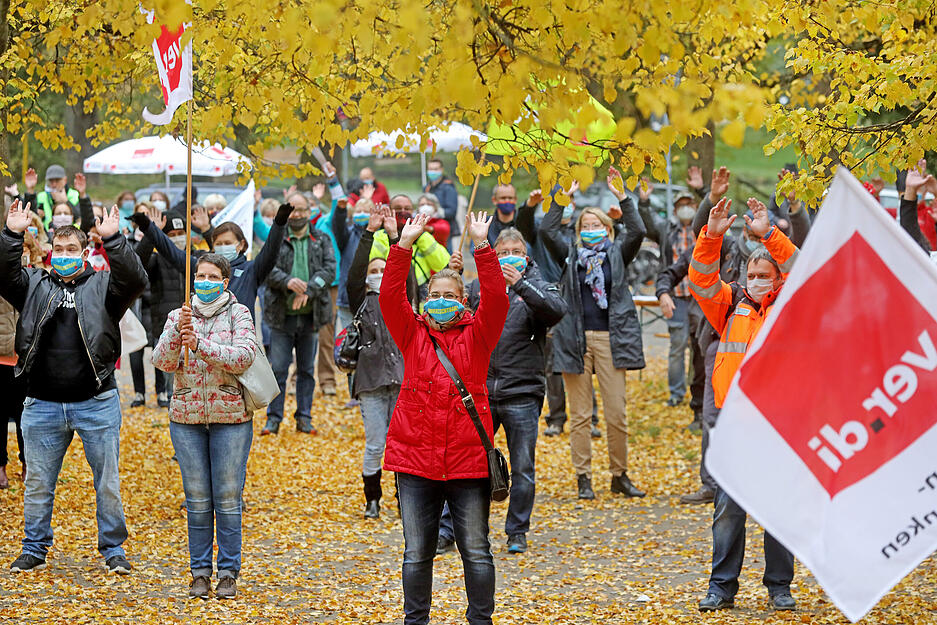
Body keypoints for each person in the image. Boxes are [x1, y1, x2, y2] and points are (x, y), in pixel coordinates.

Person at [0, 199, 147, 574]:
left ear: (84, 253)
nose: (64, 255)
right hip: (42, 403)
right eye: (58, 249)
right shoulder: (33, 284)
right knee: (37, 483)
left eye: (72, 250)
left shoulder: (103, 287)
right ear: (50, 252)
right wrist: (11, 235)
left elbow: (135, 279)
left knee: (107, 483)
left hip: (96, 400)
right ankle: (34, 547)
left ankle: (113, 550)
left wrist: (114, 241)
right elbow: (4, 274)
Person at [380, 211, 509, 625]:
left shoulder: (479, 334)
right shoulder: (412, 333)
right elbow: (388, 298)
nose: (442, 302)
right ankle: (415, 620)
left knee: (476, 549)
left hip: (469, 462)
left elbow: (498, 298)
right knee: (416, 552)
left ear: (463, 301)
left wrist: (482, 247)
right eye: (435, 295)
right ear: (424, 300)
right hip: (416, 462)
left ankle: (480, 620)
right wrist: (403, 245)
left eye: (451, 296)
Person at [690, 196, 798, 612]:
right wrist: (712, 235)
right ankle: (721, 587)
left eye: (763, 274)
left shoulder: (791, 307)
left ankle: (779, 586)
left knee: (778, 511)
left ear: (777, 278)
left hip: (779, 423)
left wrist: (769, 233)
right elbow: (700, 280)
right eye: (750, 274)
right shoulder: (731, 304)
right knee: (728, 510)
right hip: (737, 424)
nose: (755, 280)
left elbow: (801, 268)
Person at [444, 228, 566, 554]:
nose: (509, 254)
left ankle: (517, 531)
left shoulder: (537, 284)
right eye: (503, 250)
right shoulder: (478, 287)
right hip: (480, 392)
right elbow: (452, 322)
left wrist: (520, 285)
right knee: (465, 462)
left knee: (522, 466)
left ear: (525, 256)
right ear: (493, 255)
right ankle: (452, 529)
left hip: (522, 391)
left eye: (516, 249)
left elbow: (556, 310)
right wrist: (452, 280)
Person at [152, 253, 258, 600]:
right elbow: (163, 361)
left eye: (213, 277)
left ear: (225, 283)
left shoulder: (239, 314)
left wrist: (200, 344)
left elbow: (243, 356)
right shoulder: (178, 315)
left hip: (231, 419)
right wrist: (177, 335)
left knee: (227, 499)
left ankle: (228, 571)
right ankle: (199, 572)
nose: (205, 282)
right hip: (186, 418)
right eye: (200, 276)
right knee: (197, 501)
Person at [541, 168, 647, 500]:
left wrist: (622, 197)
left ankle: (619, 474)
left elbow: (639, 229)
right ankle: (583, 477)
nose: (590, 230)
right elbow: (546, 229)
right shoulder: (570, 256)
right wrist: (563, 196)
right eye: (585, 226)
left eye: (596, 225)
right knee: (581, 416)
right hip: (574, 340)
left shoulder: (618, 253)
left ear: (607, 228)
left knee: (616, 413)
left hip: (611, 340)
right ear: (578, 231)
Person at [129, 201, 291, 322]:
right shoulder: (200, 267)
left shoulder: (252, 270)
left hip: (239, 349)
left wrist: (279, 223)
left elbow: (271, 250)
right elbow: (171, 252)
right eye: (218, 244)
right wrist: (148, 227)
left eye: (227, 243)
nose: (222, 248)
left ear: (241, 244)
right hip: (206, 347)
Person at [347, 205, 405, 518]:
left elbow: (403, 271)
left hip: (400, 380)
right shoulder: (362, 300)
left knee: (400, 442)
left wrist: (395, 236)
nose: (379, 275)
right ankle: (373, 499)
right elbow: (355, 273)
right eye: (374, 271)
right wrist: (369, 233)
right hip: (370, 381)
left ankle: (403, 496)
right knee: (375, 443)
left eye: (384, 270)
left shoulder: (400, 299)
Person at [262, 194, 336, 435]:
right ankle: (273, 419)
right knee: (279, 369)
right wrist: (287, 281)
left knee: (306, 370)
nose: (297, 215)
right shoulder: (276, 238)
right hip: (281, 314)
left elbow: (329, 270)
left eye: (302, 210)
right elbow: (265, 268)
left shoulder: (321, 239)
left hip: (310, 315)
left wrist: (310, 289)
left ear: (310, 210)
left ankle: (304, 417)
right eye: (293, 210)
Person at [638, 182, 704, 421]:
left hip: (700, 298)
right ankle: (676, 393)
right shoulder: (667, 229)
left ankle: (700, 392)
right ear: (675, 209)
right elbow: (648, 223)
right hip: (676, 297)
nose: (685, 208)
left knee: (700, 347)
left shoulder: (703, 229)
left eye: (689, 204)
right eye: (681, 205)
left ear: (696, 207)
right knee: (677, 346)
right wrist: (644, 202)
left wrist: (704, 190)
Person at [370, 194, 450, 303]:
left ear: (413, 211)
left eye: (407, 209)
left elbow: (444, 265)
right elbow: (373, 269)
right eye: (398, 209)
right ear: (390, 211)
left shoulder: (423, 236)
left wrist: (419, 236)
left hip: (420, 300)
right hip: (391, 295)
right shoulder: (380, 237)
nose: (403, 212)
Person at [0, 294, 26, 488]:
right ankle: (0, 465)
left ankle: (28, 463)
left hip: (25, 357)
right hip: (1, 356)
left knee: (26, 416)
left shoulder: (32, 273)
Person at [424, 159, 460, 249]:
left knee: (446, 257)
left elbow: (452, 211)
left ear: (441, 170)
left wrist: (436, 212)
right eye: (430, 169)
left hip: (445, 230)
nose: (433, 172)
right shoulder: (427, 187)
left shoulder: (448, 187)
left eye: (435, 169)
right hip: (429, 228)